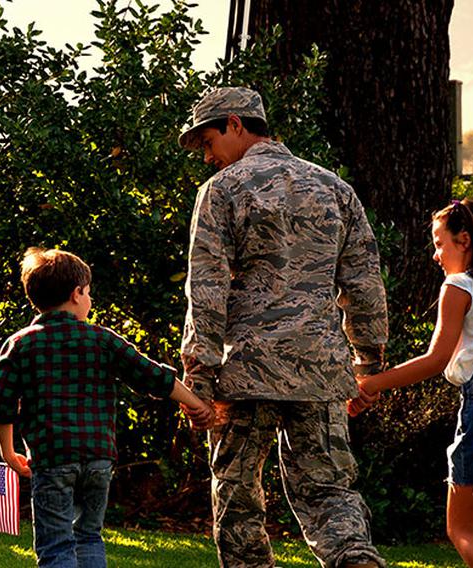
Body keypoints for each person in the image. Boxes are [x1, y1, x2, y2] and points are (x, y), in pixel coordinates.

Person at [177, 86, 389, 568]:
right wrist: (368, 362)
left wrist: (199, 378)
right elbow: (363, 283)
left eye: (209, 142)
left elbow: (206, 292)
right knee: (329, 491)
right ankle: (355, 559)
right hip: (320, 370)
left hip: (246, 372)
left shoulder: (222, 192)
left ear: (235, 123)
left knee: (237, 494)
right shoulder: (335, 188)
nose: (208, 157)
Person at [349, 198, 473, 568]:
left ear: (465, 240)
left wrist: (371, 383)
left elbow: (435, 360)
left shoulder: (460, 286)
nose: (435, 255)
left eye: (439, 243)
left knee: (463, 530)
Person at [0, 247, 213, 568]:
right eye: (89, 293)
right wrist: (196, 404)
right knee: (89, 536)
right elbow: (152, 376)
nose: (90, 299)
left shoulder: (20, 344)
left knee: (56, 545)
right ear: (77, 294)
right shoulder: (102, 340)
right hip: (98, 459)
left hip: (51, 459)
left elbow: (1, 403)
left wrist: (8, 453)